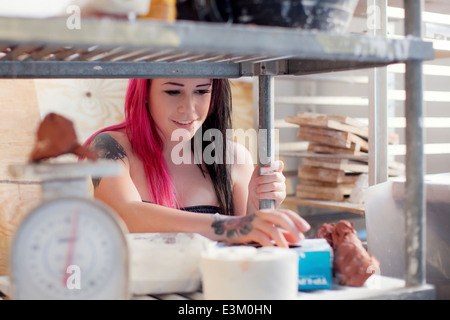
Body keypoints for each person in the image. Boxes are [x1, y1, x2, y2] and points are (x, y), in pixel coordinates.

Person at [84, 78, 310, 247]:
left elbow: (244, 250)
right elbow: (127, 216)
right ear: (145, 91)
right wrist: (232, 226)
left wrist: (258, 205)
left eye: (202, 91)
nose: (189, 107)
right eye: (173, 91)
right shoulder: (108, 148)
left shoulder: (235, 159)